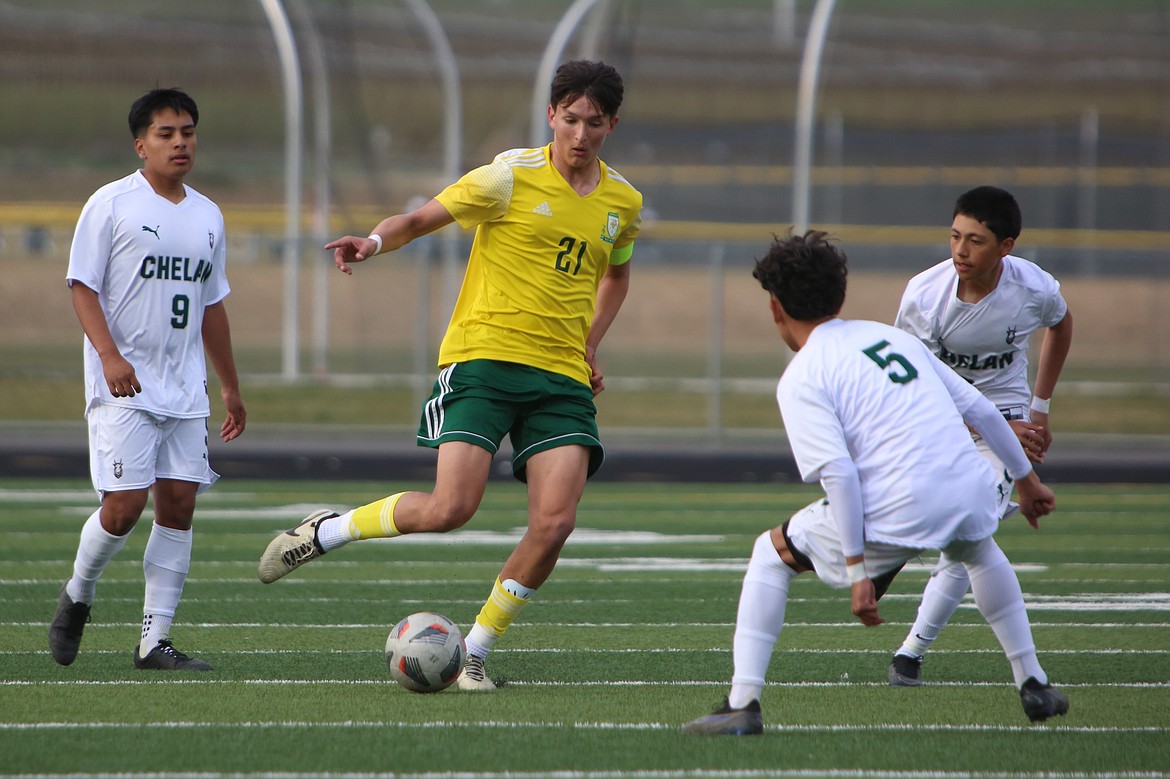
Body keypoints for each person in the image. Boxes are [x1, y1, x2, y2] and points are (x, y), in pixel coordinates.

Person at [257, 60, 642, 691]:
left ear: (611, 125)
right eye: (569, 119)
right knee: (448, 509)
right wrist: (372, 245)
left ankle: (477, 655)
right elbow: (416, 221)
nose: (579, 134)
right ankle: (328, 530)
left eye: (593, 123)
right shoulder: (507, 177)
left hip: (561, 378)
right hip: (484, 361)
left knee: (555, 523)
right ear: (552, 116)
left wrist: (590, 344)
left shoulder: (622, 201)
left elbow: (617, 276)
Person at [682, 230, 1068, 735]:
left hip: (904, 503)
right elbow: (978, 407)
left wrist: (858, 570)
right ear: (839, 293)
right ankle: (1033, 682)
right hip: (971, 485)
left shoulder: (802, 375)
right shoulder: (891, 338)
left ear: (776, 309)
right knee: (978, 550)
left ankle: (742, 704)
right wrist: (1027, 480)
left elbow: (839, 474)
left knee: (768, 555)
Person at [50, 88, 246, 670]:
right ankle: (78, 595)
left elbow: (211, 305)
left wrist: (230, 385)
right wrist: (109, 356)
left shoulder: (209, 214)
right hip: (124, 385)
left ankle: (153, 641)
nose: (179, 141)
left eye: (187, 131)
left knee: (179, 505)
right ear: (141, 144)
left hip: (185, 387)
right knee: (123, 508)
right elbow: (82, 285)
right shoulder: (110, 205)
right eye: (166, 133)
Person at [888, 186, 1074, 686]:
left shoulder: (1033, 288)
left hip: (1008, 423)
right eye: (954, 236)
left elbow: (1061, 323)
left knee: (971, 529)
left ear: (1006, 247)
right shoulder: (924, 295)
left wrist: (1038, 410)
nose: (960, 250)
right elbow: (913, 386)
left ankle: (910, 654)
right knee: (952, 530)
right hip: (939, 423)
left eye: (975, 240)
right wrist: (990, 422)